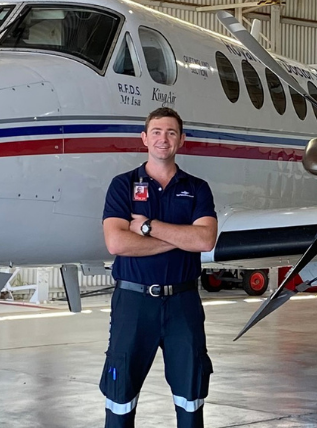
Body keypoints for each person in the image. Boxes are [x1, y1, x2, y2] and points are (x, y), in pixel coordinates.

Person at [99, 107, 219, 428]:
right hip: (133, 304)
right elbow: (116, 243)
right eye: (156, 132)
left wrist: (149, 226)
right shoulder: (123, 186)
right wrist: (181, 237)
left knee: (190, 396)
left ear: (181, 139)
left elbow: (205, 240)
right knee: (120, 395)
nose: (162, 139)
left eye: (170, 132)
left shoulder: (197, 188)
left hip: (183, 304)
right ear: (144, 138)